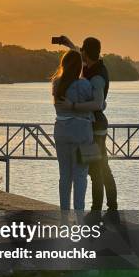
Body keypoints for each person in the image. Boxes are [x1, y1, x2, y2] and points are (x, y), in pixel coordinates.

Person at [56, 35, 119, 225]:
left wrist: (73, 106)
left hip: (96, 129)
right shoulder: (89, 67)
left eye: (82, 50)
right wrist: (68, 44)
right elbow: (76, 59)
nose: (80, 53)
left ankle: (102, 209)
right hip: (88, 128)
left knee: (99, 168)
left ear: (86, 52)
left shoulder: (98, 76)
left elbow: (99, 104)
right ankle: (103, 209)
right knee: (96, 168)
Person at [52, 49, 94, 220]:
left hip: (61, 131)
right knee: (80, 175)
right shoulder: (84, 85)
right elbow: (97, 104)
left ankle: (63, 218)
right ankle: (79, 216)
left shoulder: (56, 83)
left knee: (65, 175)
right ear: (79, 66)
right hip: (81, 133)